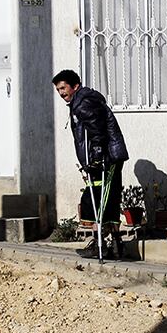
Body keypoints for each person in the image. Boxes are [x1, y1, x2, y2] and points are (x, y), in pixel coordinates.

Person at [52, 69, 129, 259]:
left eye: (63, 88)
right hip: (100, 160)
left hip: (105, 159)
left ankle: (101, 244)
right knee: (104, 200)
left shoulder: (84, 102)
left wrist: (97, 156)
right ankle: (112, 245)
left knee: (101, 201)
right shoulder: (80, 101)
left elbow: (97, 131)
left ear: (75, 86)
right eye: (58, 90)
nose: (61, 93)